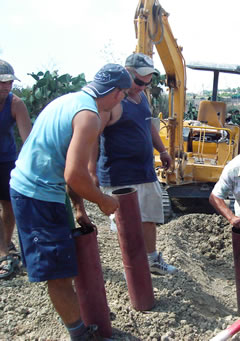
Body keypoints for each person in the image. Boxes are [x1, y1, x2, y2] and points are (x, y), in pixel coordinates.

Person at [9, 64, 132, 340]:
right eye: (123, 95)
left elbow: (66, 164)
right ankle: (79, 334)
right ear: (115, 94)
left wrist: (79, 208)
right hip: (37, 195)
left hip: (39, 190)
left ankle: (80, 319)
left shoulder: (67, 100)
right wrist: (103, 201)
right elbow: (74, 174)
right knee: (58, 274)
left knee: (65, 262)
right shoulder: (88, 117)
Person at [92, 53, 176, 275]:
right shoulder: (112, 102)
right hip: (120, 174)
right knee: (126, 224)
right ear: (126, 73)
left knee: (149, 216)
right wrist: (91, 171)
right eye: (139, 82)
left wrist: (163, 150)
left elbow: (148, 126)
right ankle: (133, 267)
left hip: (144, 171)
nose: (142, 86)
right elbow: (92, 137)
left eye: (147, 82)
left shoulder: (142, 98)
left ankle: (150, 260)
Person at [0, 59, 32, 279]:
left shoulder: (15, 103)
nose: (6, 86)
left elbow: (28, 139)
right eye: (2, 82)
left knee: (9, 204)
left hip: (7, 158)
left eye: (9, 82)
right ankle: (2, 251)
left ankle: (6, 242)